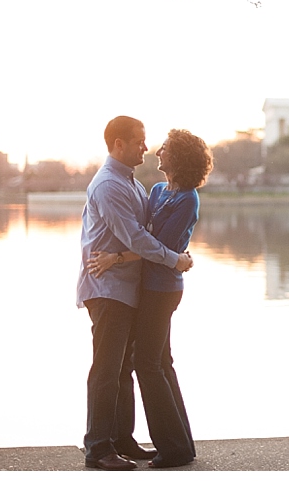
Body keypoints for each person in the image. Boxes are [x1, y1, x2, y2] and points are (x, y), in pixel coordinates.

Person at [88, 128, 213, 469]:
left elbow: (159, 246)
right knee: (159, 362)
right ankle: (179, 444)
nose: (157, 151)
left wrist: (116, 258)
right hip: (146, 286)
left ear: (179, 158)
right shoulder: (157, 190)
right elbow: (144, 237)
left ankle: (173, 447)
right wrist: (128, 256)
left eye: (166, 148)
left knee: (148, 363)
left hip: (163, 289)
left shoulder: (188, 198)